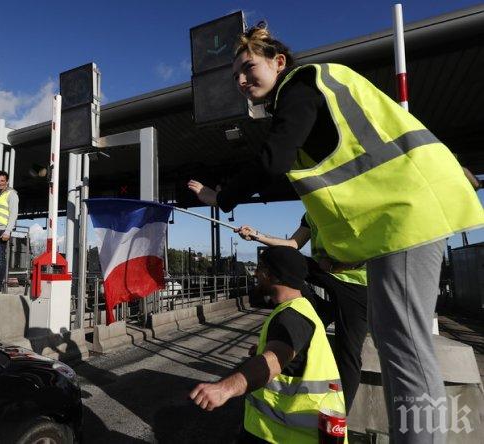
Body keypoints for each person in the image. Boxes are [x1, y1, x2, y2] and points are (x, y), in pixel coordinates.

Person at [188, 23, 484, 442]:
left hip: (408, 214)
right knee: (393, 339)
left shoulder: (302, 87)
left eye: (248, 67)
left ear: (279, 62)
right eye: (234, 73)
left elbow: (273, 161)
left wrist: (222, 196)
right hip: (396, 220)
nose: (239, 80)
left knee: (404, 347)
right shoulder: (315, 94)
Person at [190, 246, 344, 443]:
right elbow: (288, 354)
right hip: (281, 432)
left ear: (276, 276)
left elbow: (272, 362)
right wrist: (264, 349)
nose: (255, 273)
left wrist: (223, 389)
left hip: (286, 436)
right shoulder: (301, 307)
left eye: (261, 268)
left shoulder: (291, 316)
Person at [236, 214, 366, 412]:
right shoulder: (311, 212)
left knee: (348, 353)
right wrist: (256, 236)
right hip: (326, 274)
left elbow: (375, 247)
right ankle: (308, 322)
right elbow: (293, 244)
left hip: (356, 285)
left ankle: (340, 415)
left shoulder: (353, 202)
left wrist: (335, 265)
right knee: (288, 261)